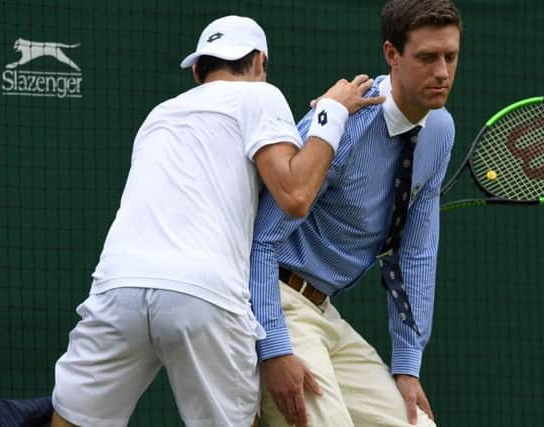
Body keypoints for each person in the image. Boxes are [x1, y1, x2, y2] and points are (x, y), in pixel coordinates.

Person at [49, 15, 383, 427]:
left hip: (118, 289)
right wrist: (332, 113)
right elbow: (296, 196)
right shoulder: (260, 97)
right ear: (260, 62)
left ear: (197, 70)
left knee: (71, 421)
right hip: (203, 296)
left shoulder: (159, 114)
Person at [249, 0, 462, 426]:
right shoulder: (341, 126)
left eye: (450, 57)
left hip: (326, 314)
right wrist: (273, 348)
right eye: (426, 58)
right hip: (275, 304)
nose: (441, 72)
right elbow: (261, 241)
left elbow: (416, 253)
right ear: (391, 55)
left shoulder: (440, 129)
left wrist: (407, 365)